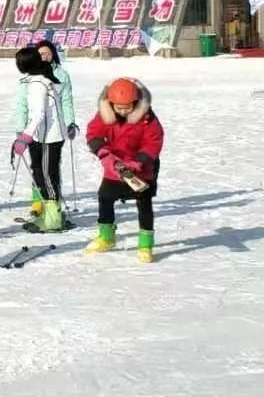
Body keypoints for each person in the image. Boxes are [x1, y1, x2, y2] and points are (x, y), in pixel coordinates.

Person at [84, 77, 164, 263]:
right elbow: (93, 133)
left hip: (142, 166)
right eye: (118, 108)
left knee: (144, 203)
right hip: (115, 165)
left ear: (135, 102)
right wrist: (104, 154)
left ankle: (145, 244)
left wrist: (139, 161)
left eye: (127, 107)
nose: (122, 111)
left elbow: (154, 141)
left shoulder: (147, 118)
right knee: (105, 197)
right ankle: (106, 236)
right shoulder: (104, 115)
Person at [17, 40, 79, 217]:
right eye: (40, 54)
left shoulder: (45, 79)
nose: (43, 57)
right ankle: (41, 203)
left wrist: (70, 122)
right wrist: (21, 129)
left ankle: (53, 214)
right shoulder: (35, 79)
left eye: (47, 53)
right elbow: (23, 105)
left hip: (49, 133)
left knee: (49, 171)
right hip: (37, 132)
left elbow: (46, 110)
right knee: (39, 168)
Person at [12, 46, 66, 232]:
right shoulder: (42, 78)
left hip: (48, 137)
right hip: (45, 135)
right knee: (44, 174)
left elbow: (37, 115)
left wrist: (24, 137)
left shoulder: (37, 84)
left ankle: (53, 219)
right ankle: (50, 212)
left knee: (47, 176)